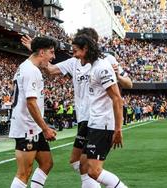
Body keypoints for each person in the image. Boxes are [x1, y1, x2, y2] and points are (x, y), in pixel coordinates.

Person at [21, 27, 132, 187]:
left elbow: (124, 88)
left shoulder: (106, 62)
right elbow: (51, 70)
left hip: (99, 120)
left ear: (88, 46)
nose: (73, 54)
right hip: (87, 118)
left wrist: (118, 77)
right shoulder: (78, 62)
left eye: (75, 50)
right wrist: (38, 52)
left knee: (91, 168)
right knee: (80, 164)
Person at [74, 34, 127, 187]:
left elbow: (117, 98)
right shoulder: (95, 66)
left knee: (94, 171)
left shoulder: (102, 68)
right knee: (83, 165)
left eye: (76, 51)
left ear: (86, 49)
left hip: (103, 124)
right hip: (94, 123)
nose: (75, 56)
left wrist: (118, 129)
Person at [9, 36, 57, 188]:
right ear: (42, 52)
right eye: (51, 52)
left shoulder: (26, 67)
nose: (53, 57)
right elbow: (31, 102)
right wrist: (45, 128)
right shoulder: (31, 71)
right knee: (24, 172)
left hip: (33, 127)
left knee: (47, 163)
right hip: (26, 128)